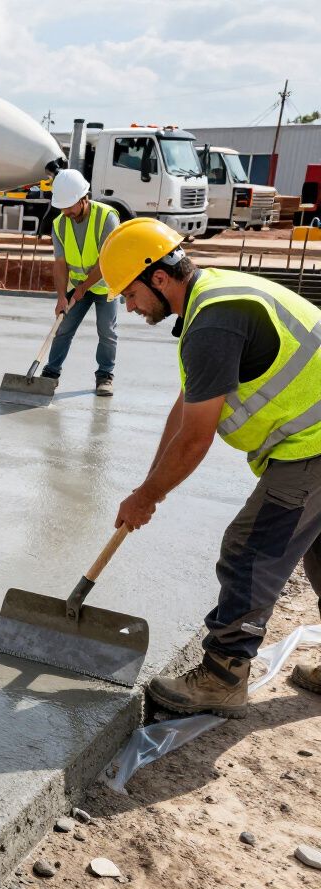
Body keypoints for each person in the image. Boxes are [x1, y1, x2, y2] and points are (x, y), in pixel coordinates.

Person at [103, 217, 321, 718]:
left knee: (250, 550)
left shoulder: (213, 324)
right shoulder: (212, 299)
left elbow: (196, 440)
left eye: (130, 294)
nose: (129, 307)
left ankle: (223, 676)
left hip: (313, 446)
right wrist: (146, 487)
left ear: (158, 277)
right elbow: (186, 409)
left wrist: (148, 496)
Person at [40, 169, 120, 397]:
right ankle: (51, 374)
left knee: (107, 331)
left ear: (84, 198)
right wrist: (61, 297)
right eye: (62, 207)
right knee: (63, 328)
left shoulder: (107, 218)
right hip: (76, 284)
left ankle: (105, 375)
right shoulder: (59, 224)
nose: (66, 211)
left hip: (105, 285)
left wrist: (84, 287)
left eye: (70, 206)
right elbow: (60, 263)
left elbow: (107, 261)